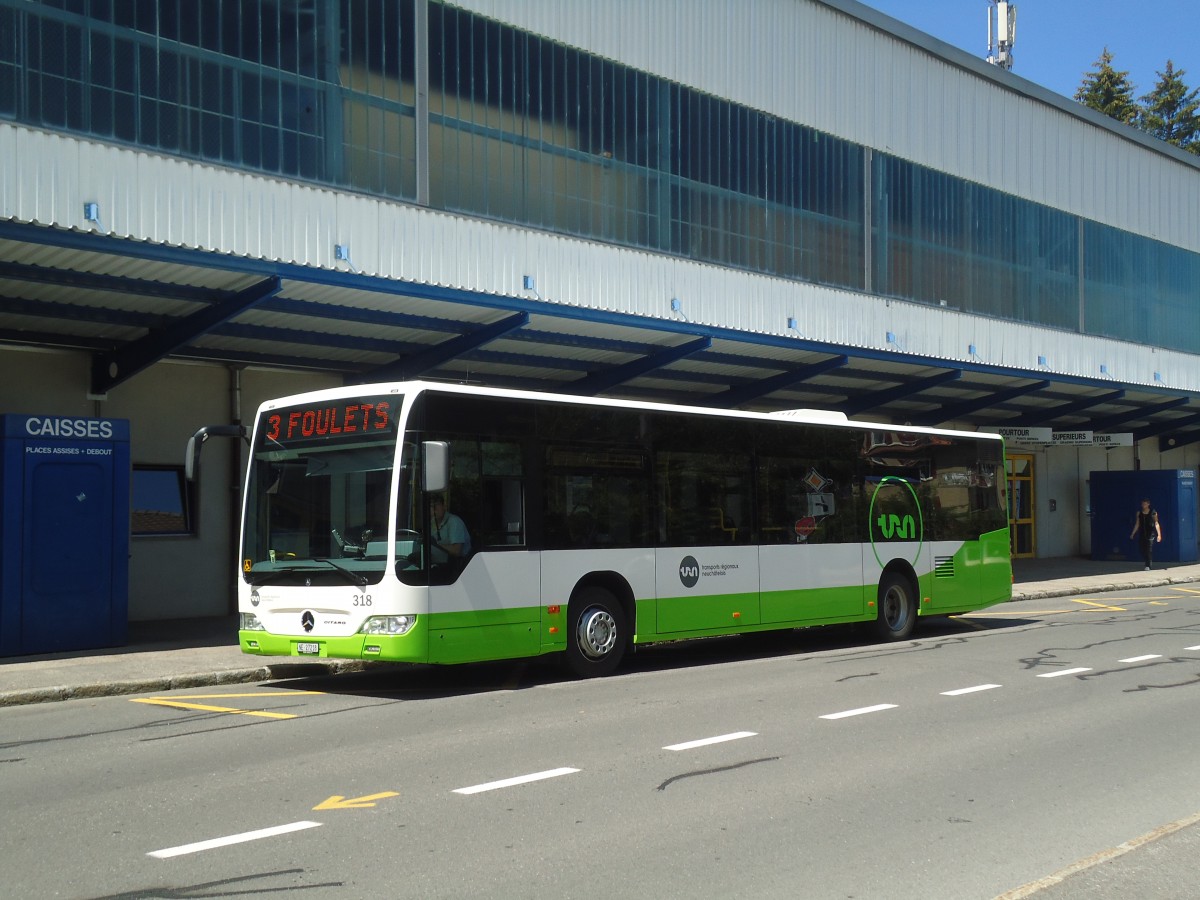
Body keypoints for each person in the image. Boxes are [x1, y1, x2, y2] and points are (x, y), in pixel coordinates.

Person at [430, 493, 471, 562]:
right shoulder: (431, 522)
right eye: (431, 506)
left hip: (460, 564)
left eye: (437, 505)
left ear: (444, 506)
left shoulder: (454, 521)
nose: (434, 509)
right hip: (439, 562)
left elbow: (456, 551)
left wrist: (436, 546)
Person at [1129, 498, 1162, 570]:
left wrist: (1159, 535)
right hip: (1142, 533)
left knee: (1148, 549)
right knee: (1142, 549)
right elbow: (1137, 524)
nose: (1143, 505)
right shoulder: (1139, 513)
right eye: (1142, 504)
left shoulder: (1153, 512)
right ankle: (1147, 560)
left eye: (1145, 504)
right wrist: (1133, 533)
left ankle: (1148, 565)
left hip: (1150, 534)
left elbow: (1156, 523)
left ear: (1148, 504)